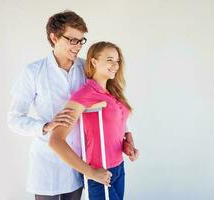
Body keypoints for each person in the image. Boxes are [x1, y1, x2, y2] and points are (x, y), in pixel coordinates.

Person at [8, 11, 138, 200]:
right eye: (72, 40)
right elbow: (14, 118)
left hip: (78, 162)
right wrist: (44, 126)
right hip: (47, 162)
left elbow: (111, 103)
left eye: (81, 40)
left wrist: (125, 136)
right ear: (54, 38)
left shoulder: (88, 69)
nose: (77, 46)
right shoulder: (33, 72)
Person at [49, 41, 138, 200]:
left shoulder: (112, 92)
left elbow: (115, 128)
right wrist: (90, 172)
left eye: (117, 61)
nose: (115, 65)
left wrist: (127, 144)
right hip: (100, 171)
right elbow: (55, 141)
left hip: (118, 168)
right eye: (109, 60)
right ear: (94, 62)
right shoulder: (85, 93)